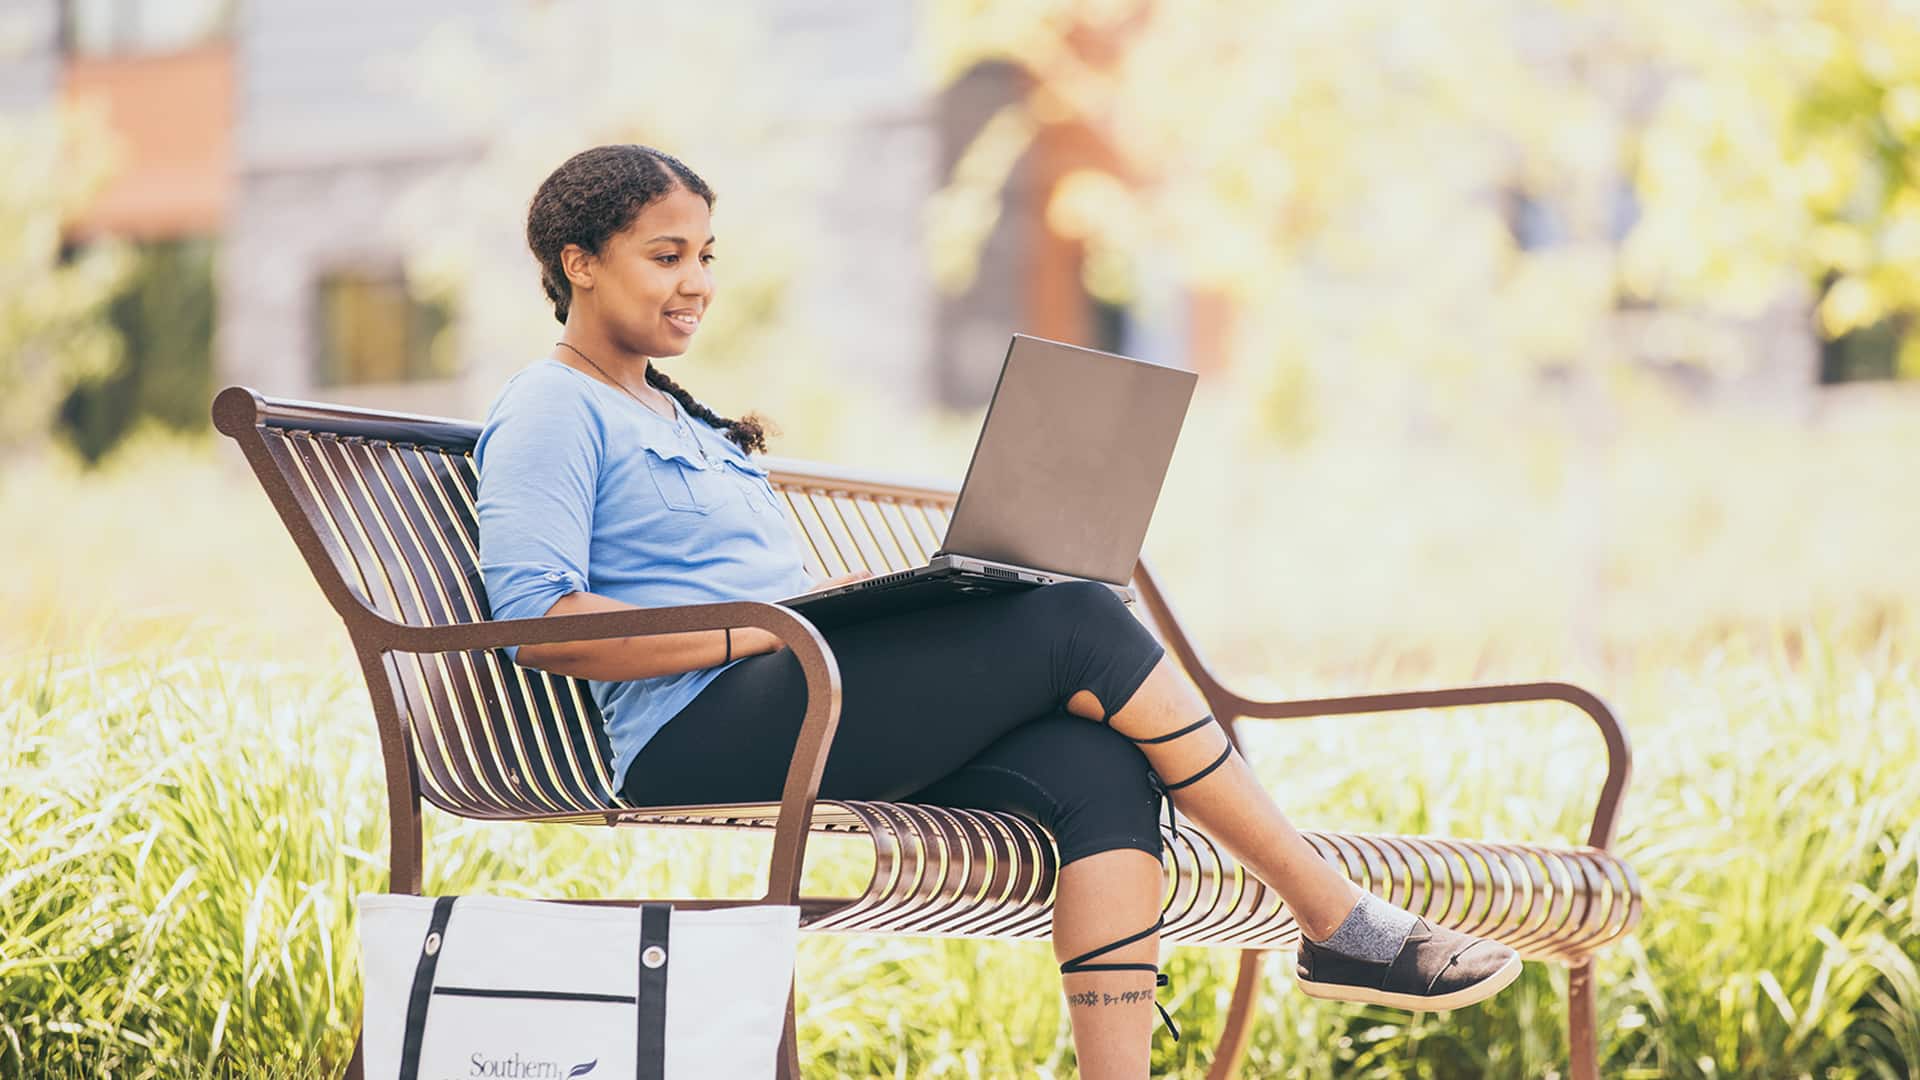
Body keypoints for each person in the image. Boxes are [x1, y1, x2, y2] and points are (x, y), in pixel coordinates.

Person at [475, 144, 1522, 1079]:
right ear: (580, 262)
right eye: (668, 256)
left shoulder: (678, 415)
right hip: (696, 734)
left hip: (798, 690)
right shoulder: (551, 405)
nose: (697, 282)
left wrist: (840, 608)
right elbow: (542, 625)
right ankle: (1332, 914)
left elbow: (750, 609)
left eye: (708, 255)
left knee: (1096, 765)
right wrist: (775, 618)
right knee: (1075, 620)